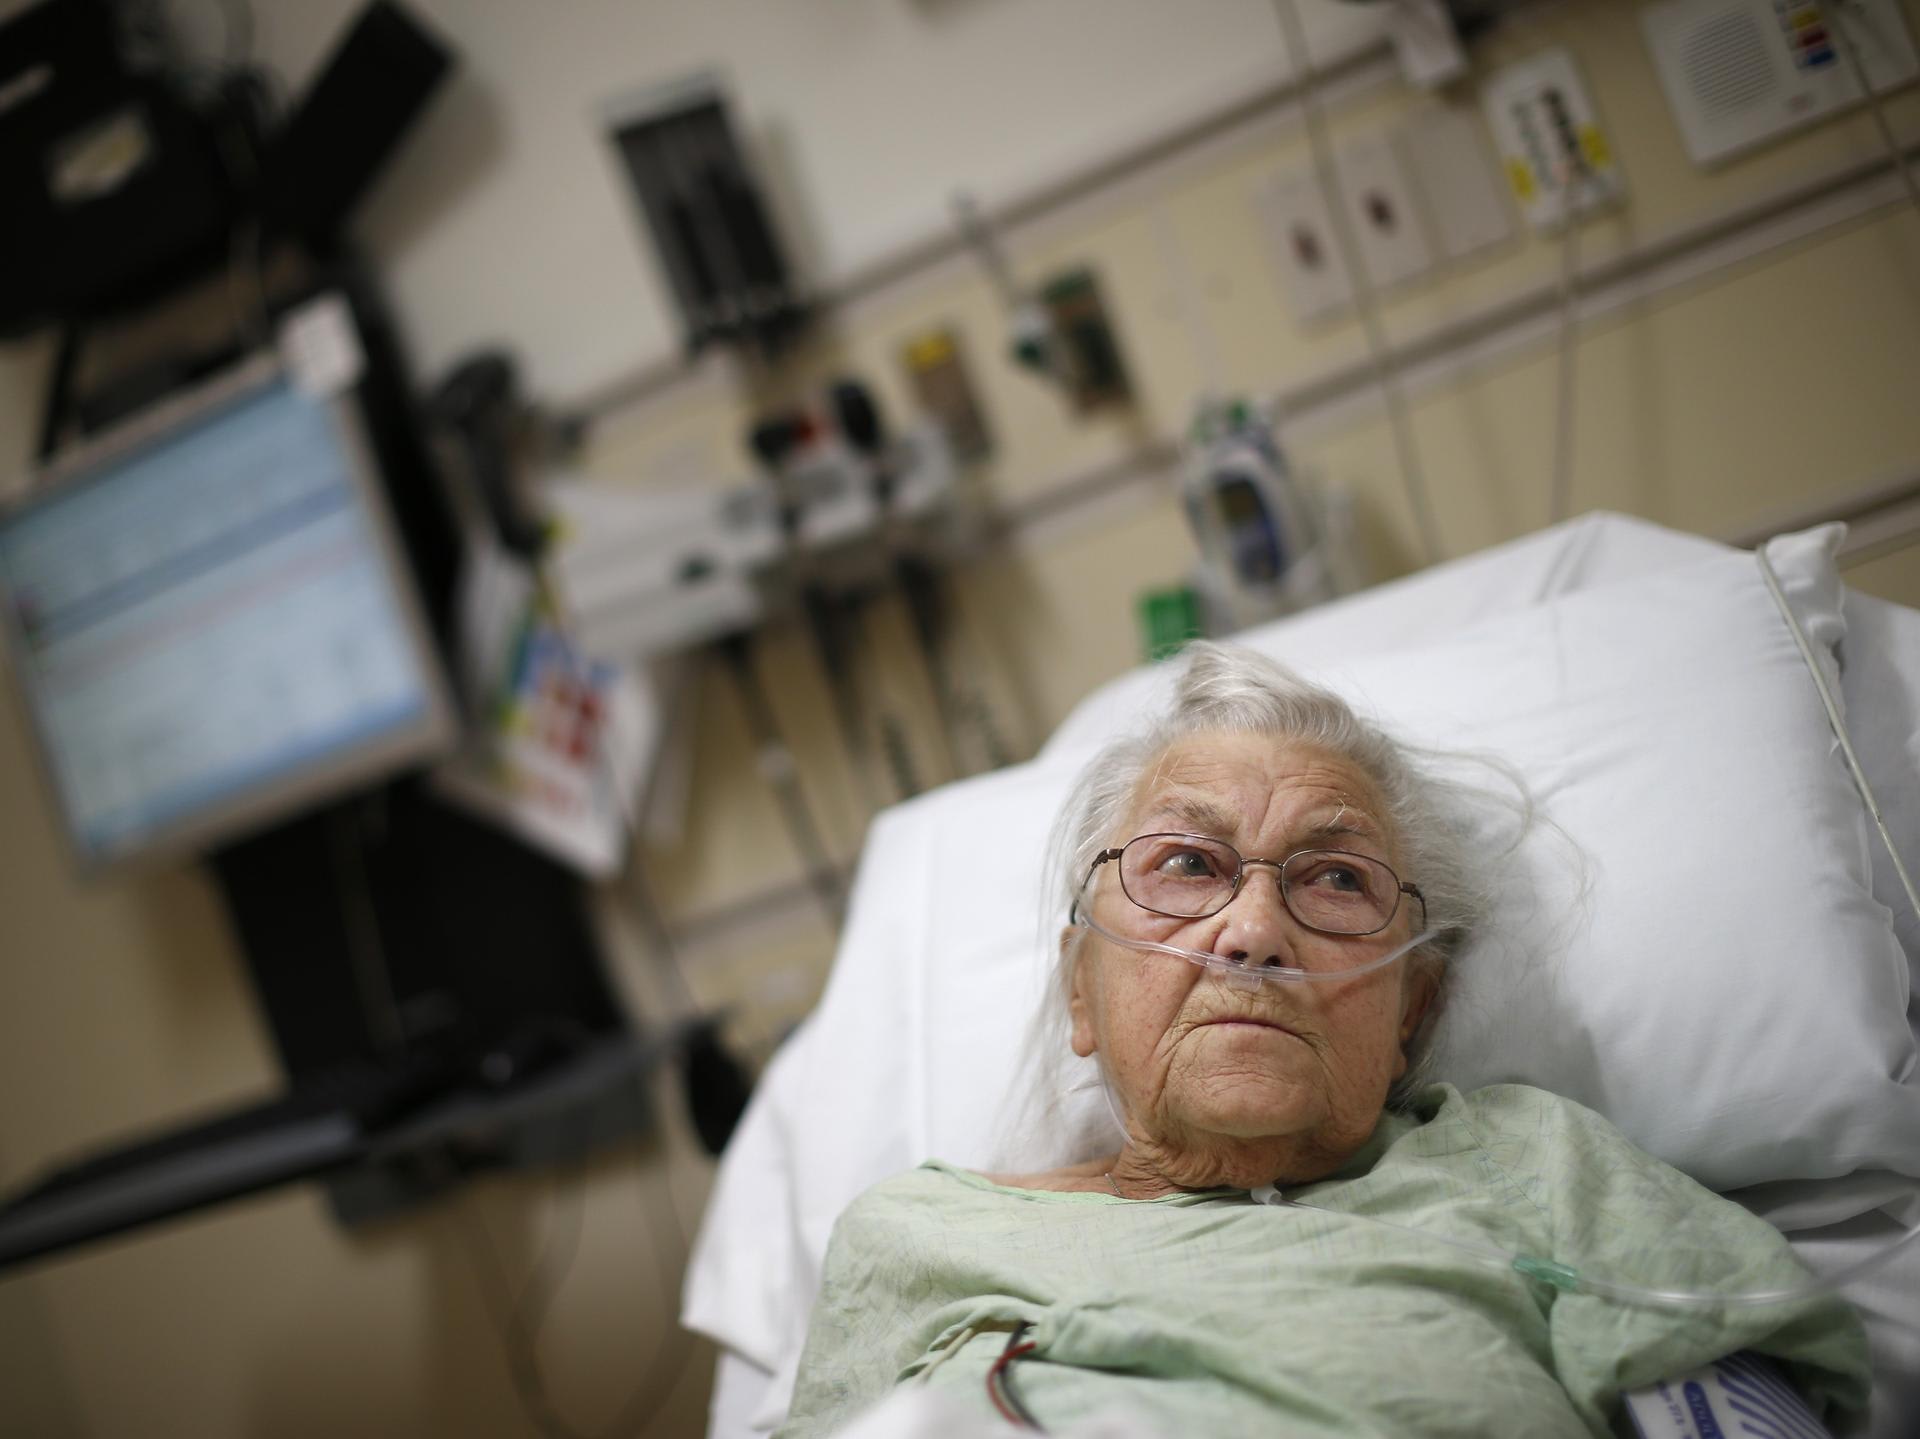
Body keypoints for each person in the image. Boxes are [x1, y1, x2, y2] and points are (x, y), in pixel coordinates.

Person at [776, 644, 1869, 1438]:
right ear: (1081, 990)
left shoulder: (1530, 1170)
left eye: (1335, 878)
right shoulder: (918, 1232)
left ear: (1412, 1013)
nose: (1252, 929)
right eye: (1189, 864)